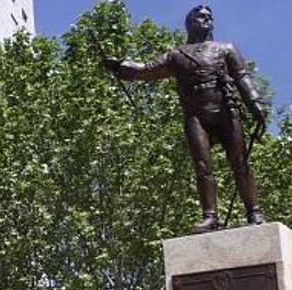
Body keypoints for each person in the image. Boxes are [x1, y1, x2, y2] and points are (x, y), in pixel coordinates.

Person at [104, 5, 268, 233]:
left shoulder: (225, 48)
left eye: (210, 18)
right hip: (195, 115)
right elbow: (146, 69)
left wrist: (255, 103)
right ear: (190, 22)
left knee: (240, 163)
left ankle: (254, 212)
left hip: (226, 110)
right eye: (201, 17)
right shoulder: (176, 54)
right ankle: (210, 216)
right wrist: (120, 65)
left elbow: (241, 76)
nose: (207, 21)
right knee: (202, 165)